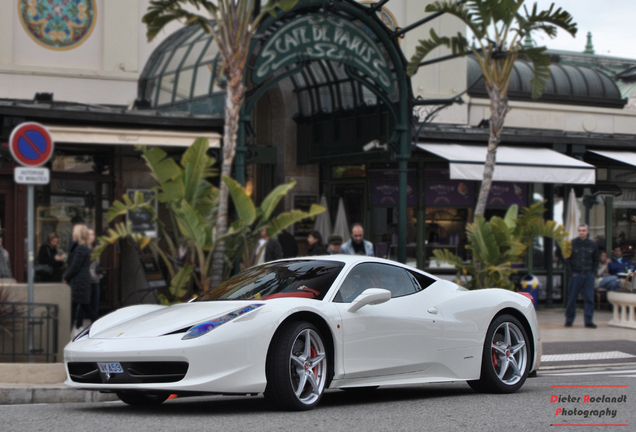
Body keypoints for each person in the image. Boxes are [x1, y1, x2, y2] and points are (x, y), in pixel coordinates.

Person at [64, 224, 97, 338]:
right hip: (81, 281)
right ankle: (95, 326)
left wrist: (65, 277)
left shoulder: (80, 248)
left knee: (79, 308)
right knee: (83, 307)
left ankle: (68, 333)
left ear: (78, 234)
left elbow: (75, 266)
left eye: (74, 231)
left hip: (79, 282)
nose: (73, 234)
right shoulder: (81, 247)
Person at [565, 224, 599, 329]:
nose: (581, 232)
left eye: (583, 230)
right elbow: (567, 260)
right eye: (580, 230)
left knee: (589, 298)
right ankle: (569, 320)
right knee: (572, 298)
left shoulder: (592, 244)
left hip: (588, 274)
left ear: (587, 231)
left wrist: (593, 273)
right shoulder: (572, 243)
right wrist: (571, 273)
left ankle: (588, 321)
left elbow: (596, 259)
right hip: (576, 274)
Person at [76, 229, 103, 324]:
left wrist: (99, 271)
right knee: (84, 305)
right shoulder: (82, 248)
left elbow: (95, 265)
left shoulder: (95, 248)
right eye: (89, 234)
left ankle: (94, 325)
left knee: (94, 304)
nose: (91, 236)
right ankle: (78, 326)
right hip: (86, 281)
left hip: (96, 280)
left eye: (93, 234)